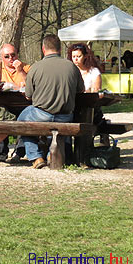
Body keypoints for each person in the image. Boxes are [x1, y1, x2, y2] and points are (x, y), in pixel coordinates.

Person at [18, 34, 84, 169]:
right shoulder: (72, 67)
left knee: (20, 121)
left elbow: (28, 95)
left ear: (43, 49)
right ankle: (50, 155)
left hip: (41, 113)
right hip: (66, 115)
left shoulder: (35, 67)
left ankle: (36, 156)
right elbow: (80, 90)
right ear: (60, 49)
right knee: (60, 130)